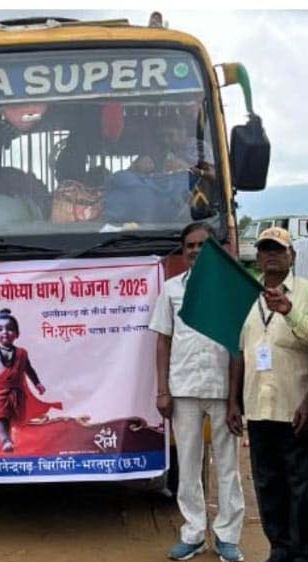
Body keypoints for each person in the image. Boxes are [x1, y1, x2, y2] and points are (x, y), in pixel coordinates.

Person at [148, 222, 245, 562]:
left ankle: (228, 537)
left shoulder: (229, 290)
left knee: (228, 467)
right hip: (183, 388)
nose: (195, 251)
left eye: (202, 245)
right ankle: (193, 534)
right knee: (187, 467)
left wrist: (235, 400)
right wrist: (162, 391)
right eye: (189, 245)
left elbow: (237, 346)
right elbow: (163, 340)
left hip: (222, 390)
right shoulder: (171, 289)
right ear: (183, 250)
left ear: (213, 251)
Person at [228, 226, 308, 562]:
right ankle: (279, 548)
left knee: (301, 485)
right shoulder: (247, 295)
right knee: (267, 483)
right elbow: (239, 350)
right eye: (265, 249)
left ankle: (301, 552)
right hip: (258, 408)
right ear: (257, 257)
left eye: (278, 249)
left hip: (296, 408)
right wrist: (233, 401)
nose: (271, 255)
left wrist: (290, 311)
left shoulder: (305, 293)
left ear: (292, 255)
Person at [0, 308, 61, 453]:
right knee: (0, 416)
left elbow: (29, 370)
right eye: (0, 329)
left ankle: (16, 438)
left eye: (9, 329)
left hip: (17, 391)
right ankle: (5, 440)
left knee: (16, 418)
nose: (5, 332)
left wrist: (37, 384)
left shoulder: (22, 353)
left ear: (17, 334)